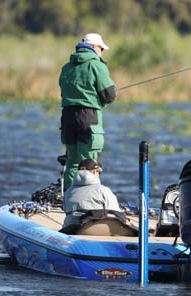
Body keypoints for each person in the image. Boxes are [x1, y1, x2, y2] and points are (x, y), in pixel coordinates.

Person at [59, 33, 117, 190]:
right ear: (94, 47)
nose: (102, 53)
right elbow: (109, 95)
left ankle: (70, 200)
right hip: (88, 118)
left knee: (72, 161)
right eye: (101, 49)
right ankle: (87, 201)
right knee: (90, 162)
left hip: (68, 118)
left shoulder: (66, 67)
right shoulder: (96, 65)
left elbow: (64, 93)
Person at [60, 158, 123, 234]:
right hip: (97, 228)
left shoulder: (68, 192)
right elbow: (115, 213)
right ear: (94, 172)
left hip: (71, 229)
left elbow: (66, 210)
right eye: (98, 172)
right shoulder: (104, 190)